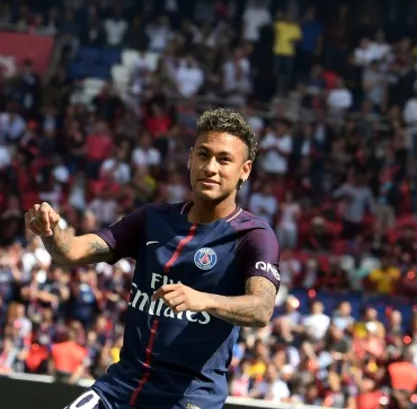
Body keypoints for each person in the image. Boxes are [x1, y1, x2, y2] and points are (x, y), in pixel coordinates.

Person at [24, 108, 281, 409]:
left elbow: (262, 309)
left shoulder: (253, 235)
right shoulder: (152, 219)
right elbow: (71, 251)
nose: (210, 167)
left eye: (224, 159)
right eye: (203, 154)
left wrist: (204, 300)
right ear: (190, 158)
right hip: (120, 389)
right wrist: (51, 232)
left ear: (245, 170)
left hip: (187, 398)